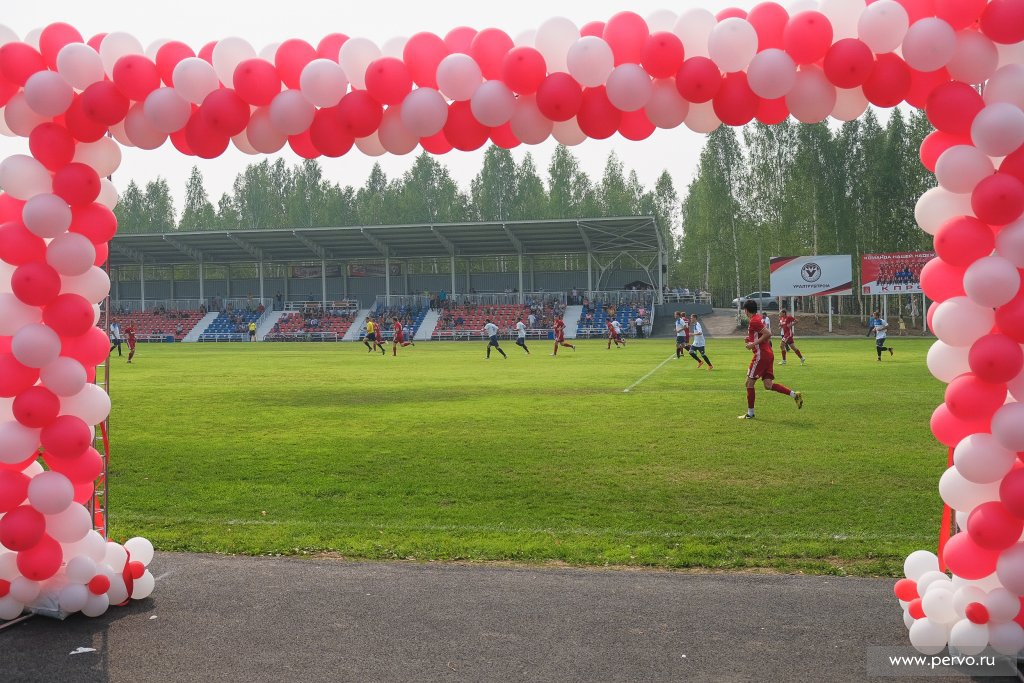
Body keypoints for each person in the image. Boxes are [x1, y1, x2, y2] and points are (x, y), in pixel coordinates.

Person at [738, 300, 802, 419]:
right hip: (768, 354)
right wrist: (751, 339)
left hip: (761, 355)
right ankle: (795, 395)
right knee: (768, 385)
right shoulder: (758, 318)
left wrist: (752, 344)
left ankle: (750, 414)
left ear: (746, 310)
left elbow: (768, 334)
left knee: (749, 383)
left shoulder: (754, 320)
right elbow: (763, 336)